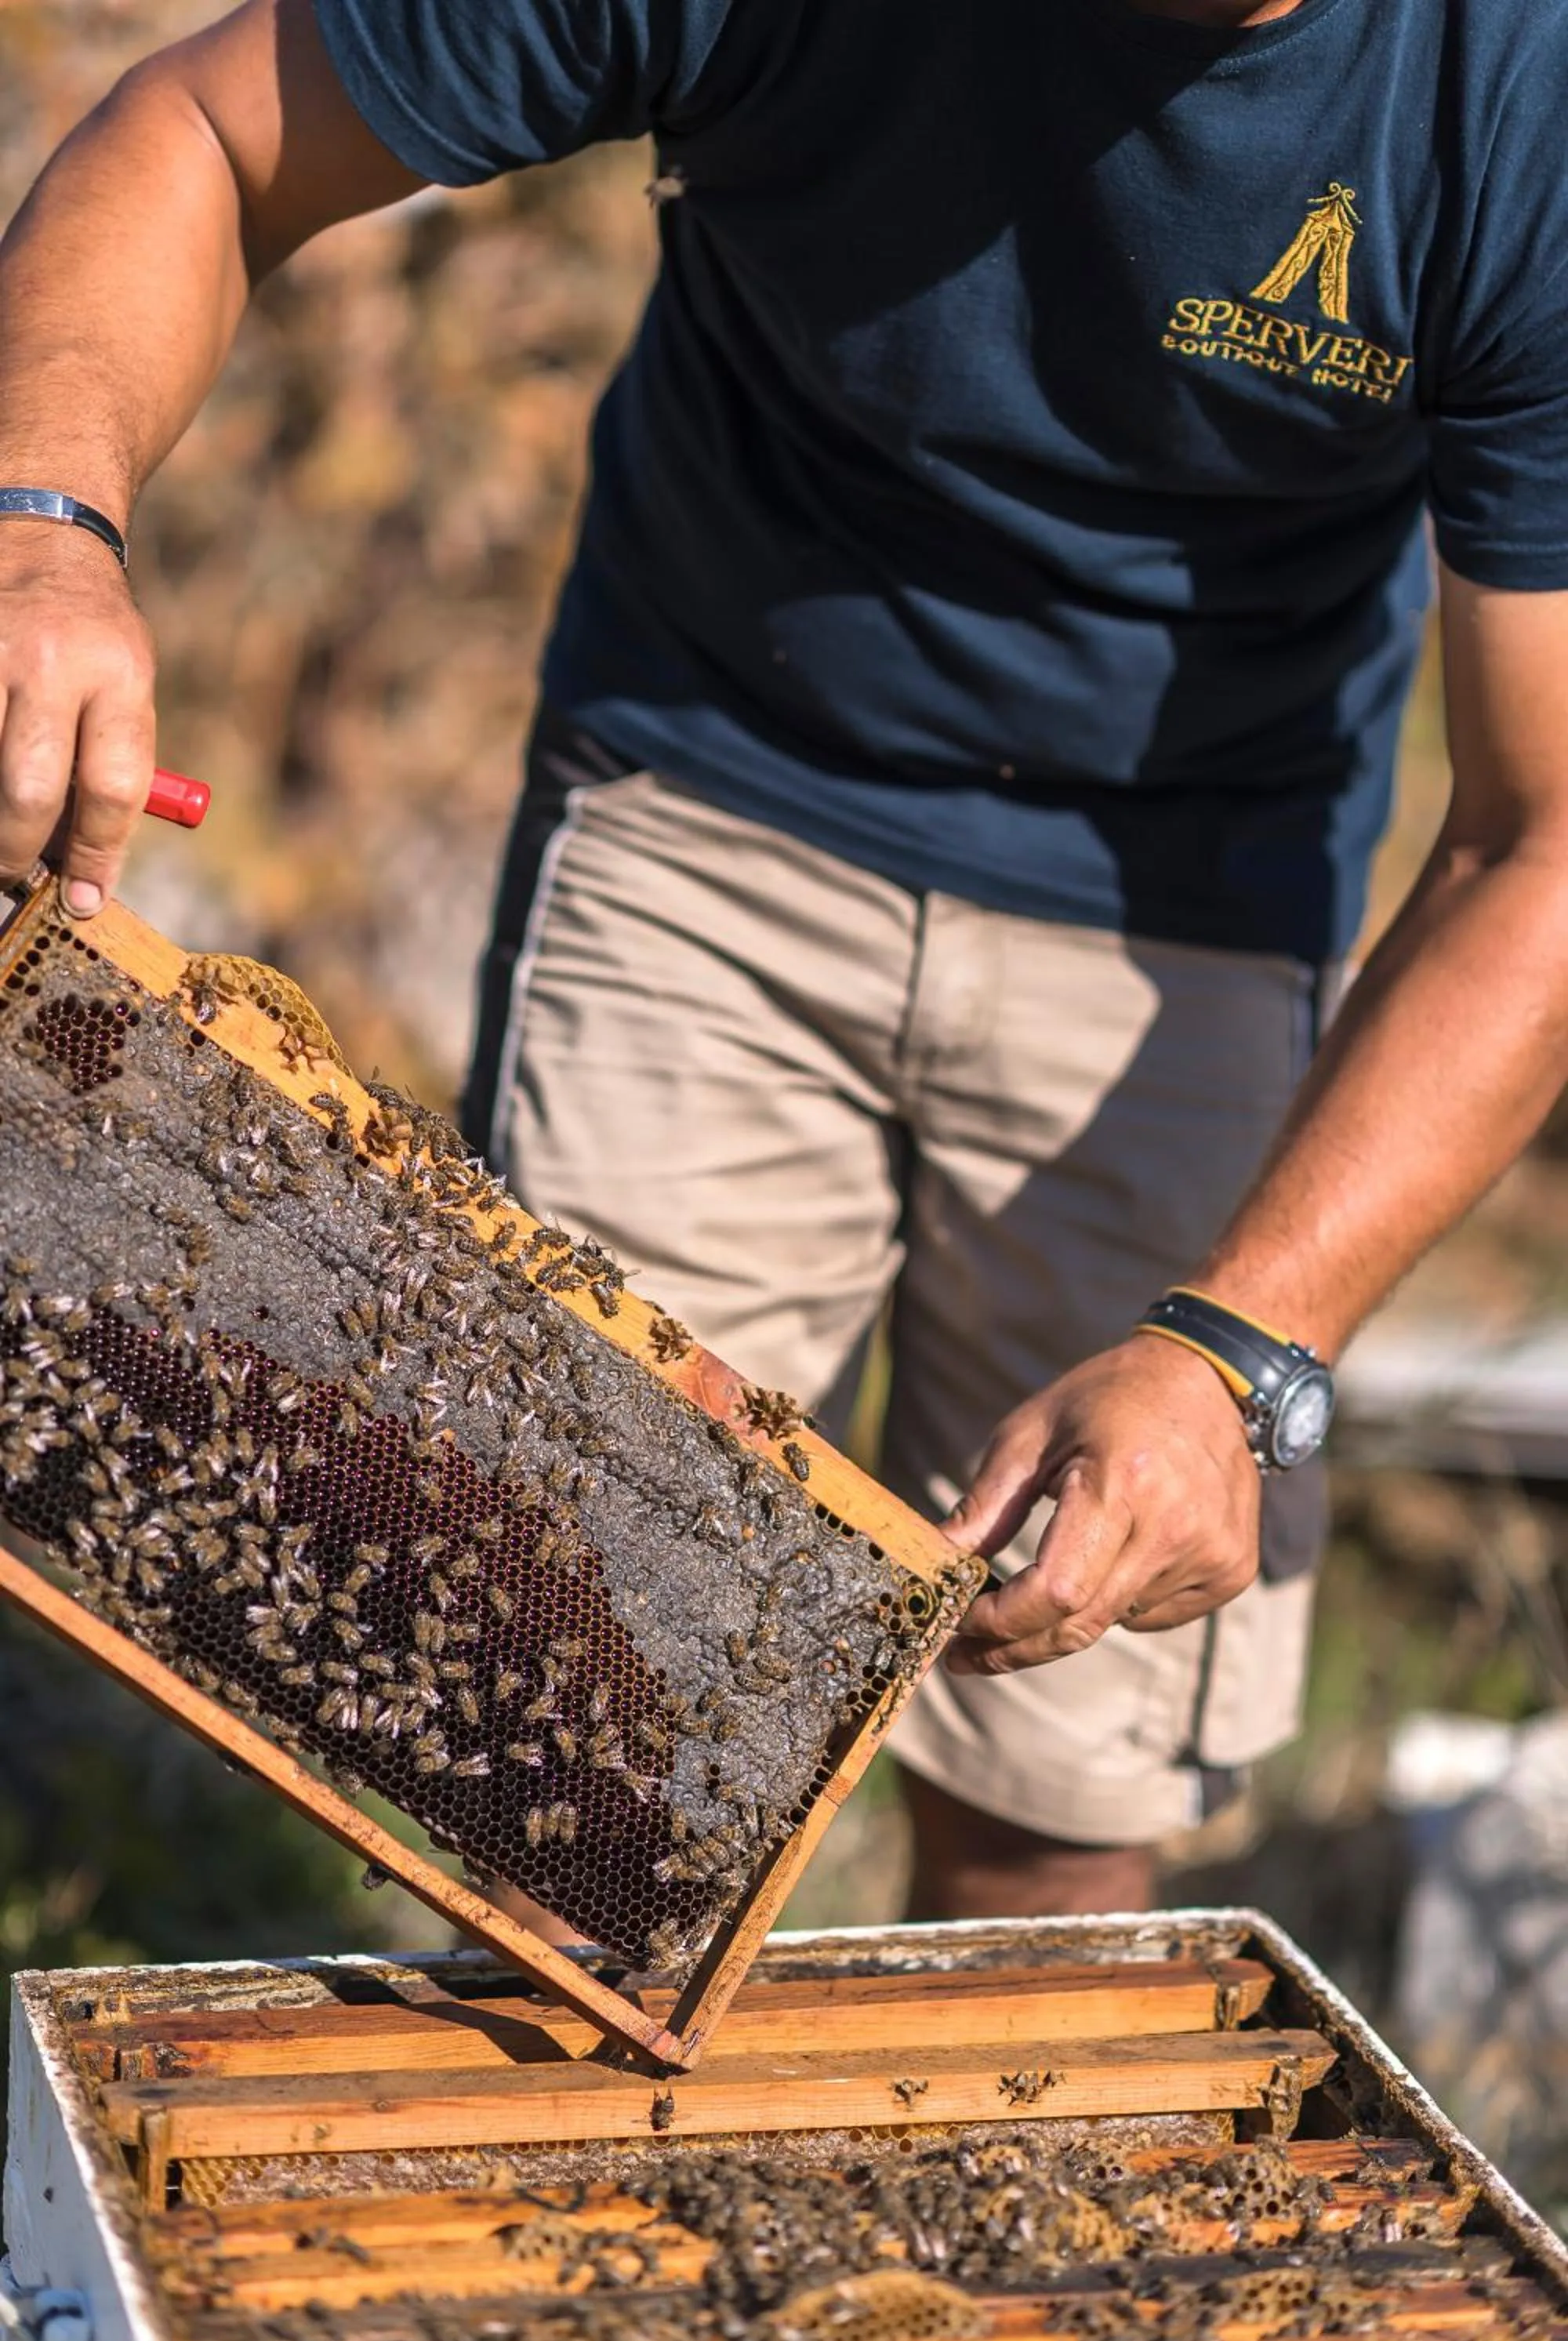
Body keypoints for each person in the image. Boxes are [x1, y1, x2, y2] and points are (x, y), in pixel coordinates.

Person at [2, 0, 1567, 1924]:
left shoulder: (1521, 93)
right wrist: (43, 537)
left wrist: (1238, 1350)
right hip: (711, 799)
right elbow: (208, 133)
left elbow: (1540, 844)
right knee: (572, 1734)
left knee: (1059, 1789)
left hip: (1192, 901)